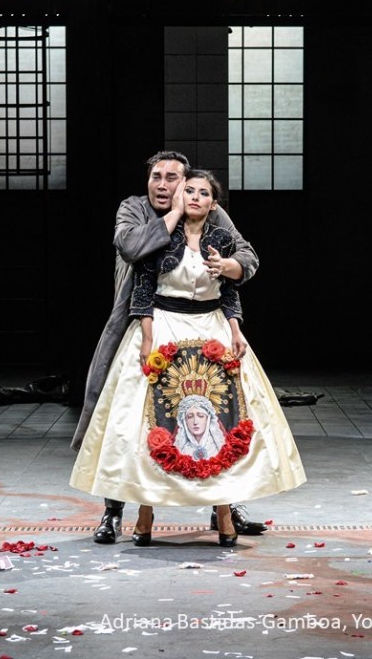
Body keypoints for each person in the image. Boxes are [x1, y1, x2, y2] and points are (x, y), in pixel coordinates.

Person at [70, 169, 306, 547]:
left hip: (210, 327)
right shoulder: (147, 222)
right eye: (185, 189)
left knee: (224, 415)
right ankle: (130, 511)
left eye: (199, 191)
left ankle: (225, 509)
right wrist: (148, 337)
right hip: (163, 325)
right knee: (140, 420)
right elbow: (141, 281)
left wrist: (235, 319)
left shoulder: (220, 232)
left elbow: (235, 280)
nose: (189, 194)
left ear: (212, 202)